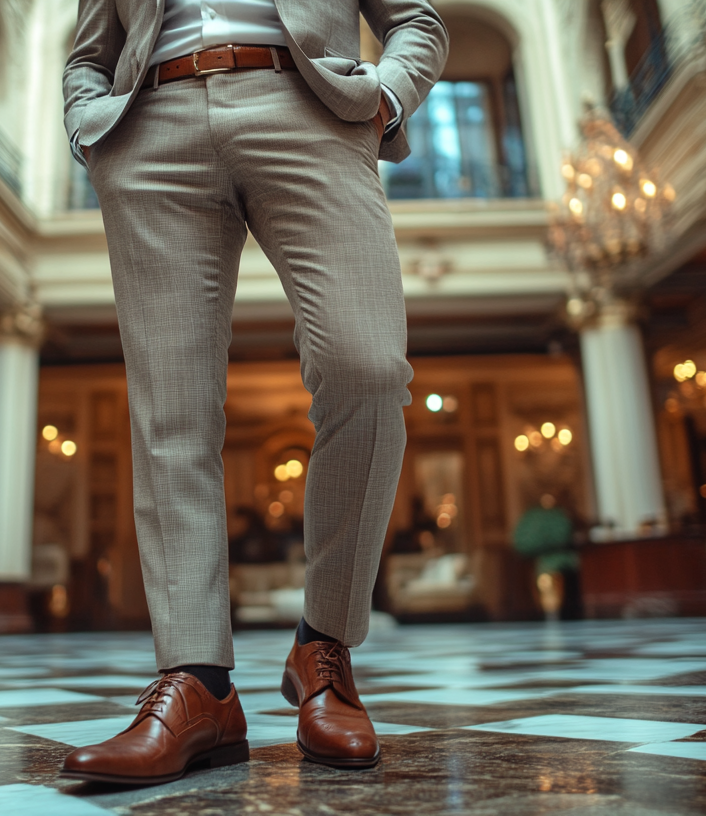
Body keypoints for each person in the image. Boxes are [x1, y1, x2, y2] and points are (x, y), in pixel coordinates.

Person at [60, 0, 447, 785]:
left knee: (367, 370)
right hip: (149, 125)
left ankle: (322, 645)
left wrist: (386, 97)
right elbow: (88, 51)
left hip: (309, 108)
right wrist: (89, 127)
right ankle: (197, 685)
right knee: (170, 414)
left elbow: (420, 21)